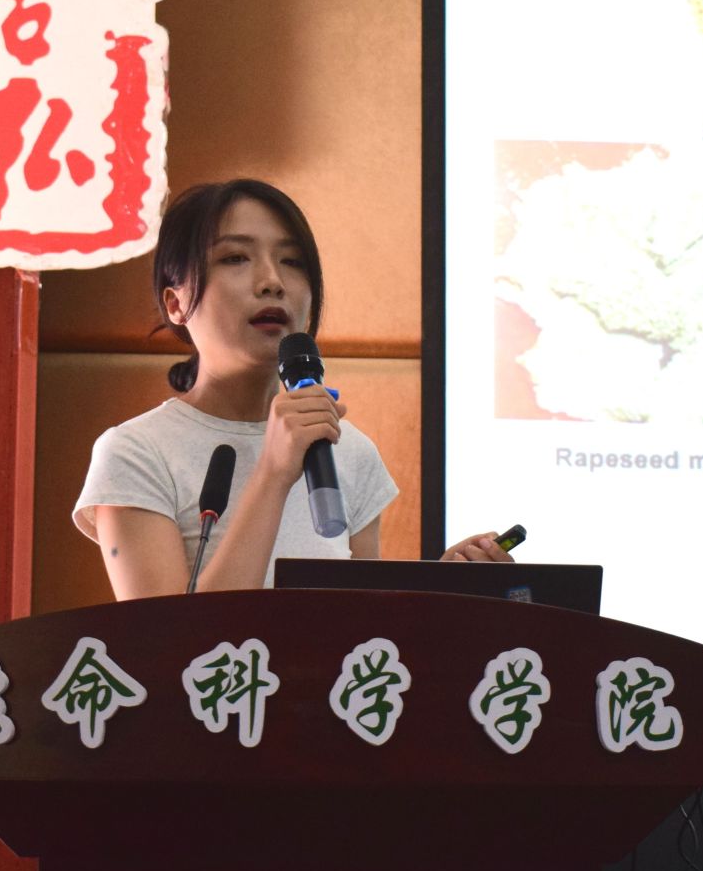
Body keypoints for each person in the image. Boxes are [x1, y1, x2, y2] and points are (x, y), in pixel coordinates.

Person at [74, 178, 511, 598]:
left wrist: (442, 594)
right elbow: (167, 640)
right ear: (176, 303)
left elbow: (361, 630)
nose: (272, 281)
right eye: (235, 258)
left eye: (292, 262)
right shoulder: (136, 452)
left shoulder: (349, 451)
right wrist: (273, 472)